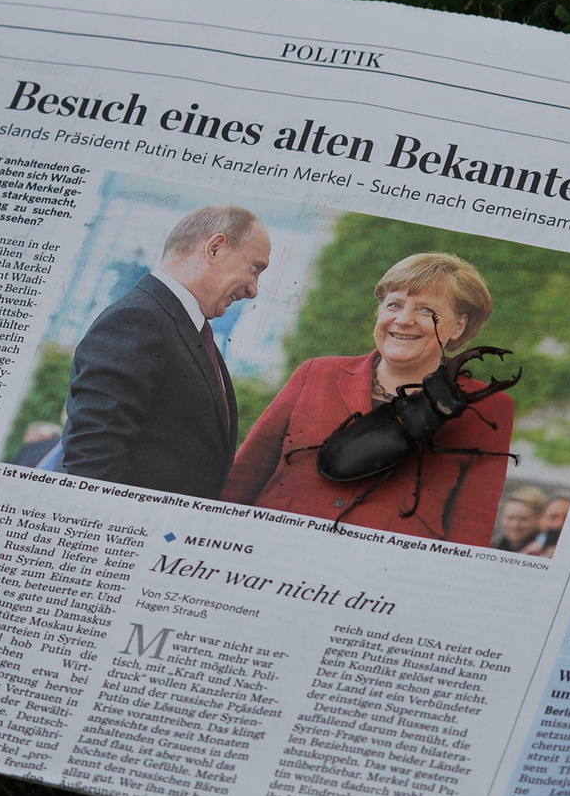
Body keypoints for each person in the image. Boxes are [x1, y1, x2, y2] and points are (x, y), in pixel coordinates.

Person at [223, 252, 513, 545]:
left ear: (458, 326)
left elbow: (471, 526)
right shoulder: (317, 373)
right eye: (394, 304)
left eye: (426, 310)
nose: (403, 320)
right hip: (271, 543)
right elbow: (245, 475)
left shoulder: (489, 407)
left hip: (382, 570)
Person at [60, 204, 271, 498]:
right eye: (255, 268)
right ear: (215, 249)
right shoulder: (138, 320)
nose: (253, 290)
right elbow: (93, 455)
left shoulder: (184, 326)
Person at [492, 486, 546, 552]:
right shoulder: (492, 546)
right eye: (510, 518)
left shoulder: (545, 550)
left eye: (523, 519)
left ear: (539, 519)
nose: (515, 525)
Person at [522, 493, 570, 558]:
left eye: (566, 518)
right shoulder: (522, 543)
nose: (559, 524)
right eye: (553, 517)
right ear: (541, 518)